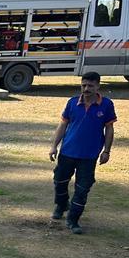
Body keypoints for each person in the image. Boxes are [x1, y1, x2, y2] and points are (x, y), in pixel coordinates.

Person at [49, 71, 116, 234]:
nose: (86, 89)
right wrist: (53, 146)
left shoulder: (106, 105)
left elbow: (109, 129)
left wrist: (106, 151)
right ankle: (61, 205)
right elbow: (63, 126)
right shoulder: (72, 103)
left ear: (98, 86)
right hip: (67, 152)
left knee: (82, 188)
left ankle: (73, 220)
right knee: (60, 181)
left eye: (90, 86)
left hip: (89, 155)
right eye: (83, 85)